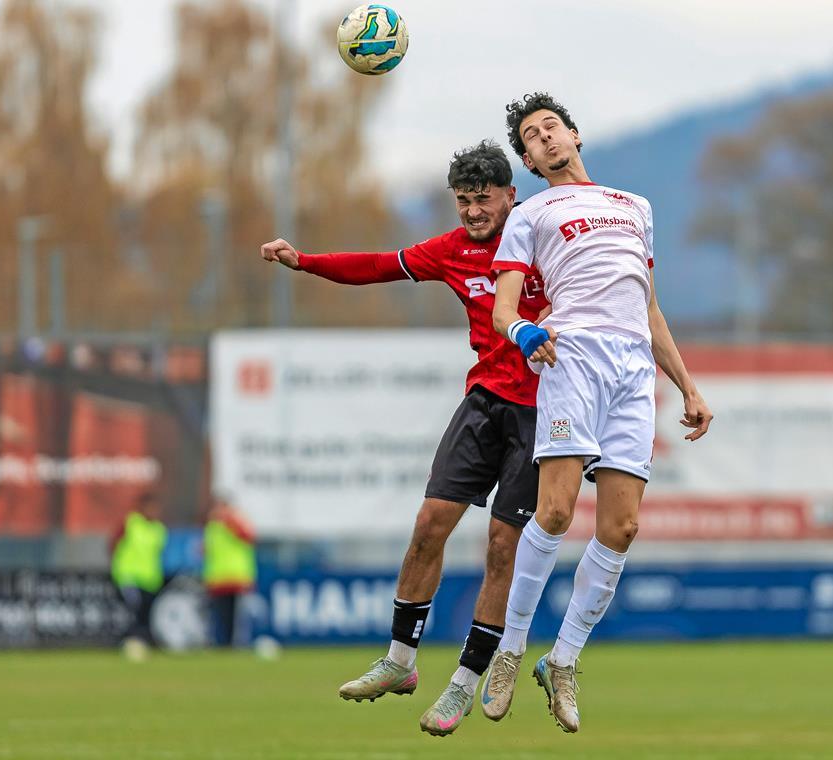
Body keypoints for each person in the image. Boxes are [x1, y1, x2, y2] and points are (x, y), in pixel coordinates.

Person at [260, 140, 549, 736]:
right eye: (463, 201)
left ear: (510, 196)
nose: (472, 212)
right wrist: (304, 261)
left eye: (483, 199)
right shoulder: (450, 251)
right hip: (484, 404)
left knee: (501, 548)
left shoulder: (541, 237)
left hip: (543, 414)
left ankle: (464, 686)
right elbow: (376, 266)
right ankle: (399, 663)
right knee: (427, 528)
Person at [480, 93, 714, 733]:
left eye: (551, 127)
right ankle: (509, 650)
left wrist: (687, 385)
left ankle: (563, 661)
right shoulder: (531, 215)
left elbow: (648, 306)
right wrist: (525, 334)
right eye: (531, 136)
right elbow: (504, 312)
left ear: (575, 135)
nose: (545, 139)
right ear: (528, 159)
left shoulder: (634, 207)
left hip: (634, 372)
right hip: (572, 361)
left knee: (622, 527)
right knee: (554, 512)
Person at [109, 491, 168, 661]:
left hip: (150, 580)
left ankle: (141, 644)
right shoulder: (130, 523)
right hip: (129, 578)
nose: (154, 512)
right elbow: (113, 545)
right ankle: (131, 644)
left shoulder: (159, 529)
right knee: (133, 610)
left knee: (145, 614)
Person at [203, 495, 257, 647]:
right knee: (220, 618)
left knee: (237, 619)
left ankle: (237, 646)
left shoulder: (238, 522)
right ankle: (221, 646)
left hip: (237, 578)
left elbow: (249, 537)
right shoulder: (213, 527)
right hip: (218, 580)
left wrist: (230, 521)